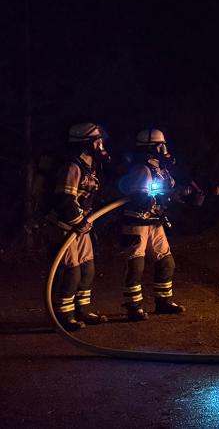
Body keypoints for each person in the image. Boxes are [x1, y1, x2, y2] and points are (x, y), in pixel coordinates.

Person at [118, 128, 200, 321]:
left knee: (166, 262)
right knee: (136, 264)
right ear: (151, 147)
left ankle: (163, 302)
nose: (165, 149)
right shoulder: (142, 169)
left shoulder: (160, 168)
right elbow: (140, 198)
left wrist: (184, 192)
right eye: (161, 146)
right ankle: (133, 307)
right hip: (137, 222)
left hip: (155, 222)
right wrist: (167, 195)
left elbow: (168, 188)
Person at [43, 123, 111, 331]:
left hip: (81, 226)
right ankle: (64, 315)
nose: (101, 145)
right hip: (64, 226)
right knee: (71, 272)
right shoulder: (72, 166)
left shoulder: (91, 166)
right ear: (86, 143)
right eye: (97, 141)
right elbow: (64, 200)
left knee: (87, 269)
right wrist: (78, 221)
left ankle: (83, 310)